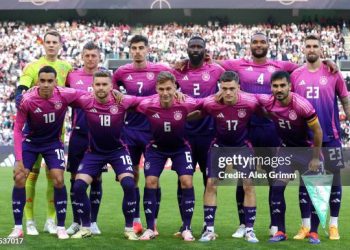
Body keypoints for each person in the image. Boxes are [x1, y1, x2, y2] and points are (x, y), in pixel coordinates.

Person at [9, 66, 81, 239]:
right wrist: (18, 160)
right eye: (42, 81)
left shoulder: (64, 94)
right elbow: (18, 129)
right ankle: (18, 227)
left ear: (56, 82)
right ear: (38, 81)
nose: (46, 84)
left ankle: (60, 226)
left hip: (53, 143)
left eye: (50, 81)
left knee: (58, 178)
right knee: (20, 177)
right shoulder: (27, 100)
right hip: (31, 143)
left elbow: (86, 96)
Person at [291, 34, 350, 243]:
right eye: (308, 46)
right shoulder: (296, 75)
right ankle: (306, 226)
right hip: (305, 139)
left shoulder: (333, 73)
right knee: (305, 182)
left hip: (331, 137)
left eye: (315, 45)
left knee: (335, 180)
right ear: (303, 49)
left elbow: (344, 98)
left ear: (321, 49)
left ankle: (333, 225)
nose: (311, 49)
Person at [112, 35, 172, 234]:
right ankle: (135, 220)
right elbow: (112, 94)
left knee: (153, 177)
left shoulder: (160, 70)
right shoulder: (121, 72)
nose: (137, 51)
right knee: (132, 176)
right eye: (134, 48)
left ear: (147, 49)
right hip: (129, 131)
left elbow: (176, 83)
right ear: (130, 50)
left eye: (141, 47)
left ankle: (152, 221)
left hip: (153, 131)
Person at [15, 30, 72, 235]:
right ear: (43, 44)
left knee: (54, 177)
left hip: (57, 132)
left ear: (60, 44)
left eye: (54, 42)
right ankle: (29, 221)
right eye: (47, 42)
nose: (51, 45)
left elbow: (73, 93)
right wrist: (19, 94)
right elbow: (21, 87)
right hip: (33, 132)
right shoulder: (32, 67)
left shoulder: (67, 67)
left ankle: (51, 219)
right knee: (31, 175)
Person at [70, 70, 139, 240]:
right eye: (98, 84)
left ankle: (129, 228)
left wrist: (176, 95)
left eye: (104, 84)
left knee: (129, 184)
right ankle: (86, 227)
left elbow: (147, 101)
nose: (101, 88)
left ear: (111, 86)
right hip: (94, 153)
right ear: (92, 86)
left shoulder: (123, 101)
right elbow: (60, 95)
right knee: (78, 186)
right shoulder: (86, 100)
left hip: (118, 151)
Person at [256, 70, 323, 243]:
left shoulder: (301, 105)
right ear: (271, 87)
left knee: (314, 192)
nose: (279, 89)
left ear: (289, 86)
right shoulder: (268, 102)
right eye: (275, 86)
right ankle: (281, 231)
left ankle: (314, 232)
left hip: (308, 151)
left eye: (282, 85)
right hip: (286, 151)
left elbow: (317, 131)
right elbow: (245, 97)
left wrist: (315, 158)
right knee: (277, 189)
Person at [136, 71, 202, 241]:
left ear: (175, 88)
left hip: (180, 147)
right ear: (156, 89)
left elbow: (204, 106)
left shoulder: (185, 102)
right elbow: (128, 103)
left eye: (168, 88)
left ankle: (186, 228)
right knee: (150, 182)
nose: (165, 93)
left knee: (187, 181)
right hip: (156, 148)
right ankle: (150, 228)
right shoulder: (147, 104)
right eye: (161, 89)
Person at [196, 71, 260, 243]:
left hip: (242, 147)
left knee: (248, 185)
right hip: (220, 147)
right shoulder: (211, 103)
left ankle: (250, 230)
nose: (228, 92)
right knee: (211, 184)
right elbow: (196, 111)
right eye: (224, 88)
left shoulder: (250, 102)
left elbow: (268, 109)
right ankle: (209, 230)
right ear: (220, 88)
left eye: (232, 88)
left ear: (239, 87)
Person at [173, 36, 224, 235]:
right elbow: (164, 87)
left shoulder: (216, 70)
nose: (195, 50)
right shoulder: (176, 71)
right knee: (183, 180)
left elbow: (233, 83)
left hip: (209, 134)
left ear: (205, 50)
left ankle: (207, 224)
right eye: (192, 47)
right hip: (184, 135)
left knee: (209, 180)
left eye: (199, 47)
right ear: (187, 49)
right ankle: (185, 224)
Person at [65, 42, 104, 235]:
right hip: (78, 135)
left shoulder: (106, 76)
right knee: (74, 178)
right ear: (82, 56)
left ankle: (93, 221)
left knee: (96, 179)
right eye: (87, 55)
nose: (90, 59)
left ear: (99, 57)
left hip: (98, 135)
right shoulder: (72, 75)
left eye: (93, 55)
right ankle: (76, 221)